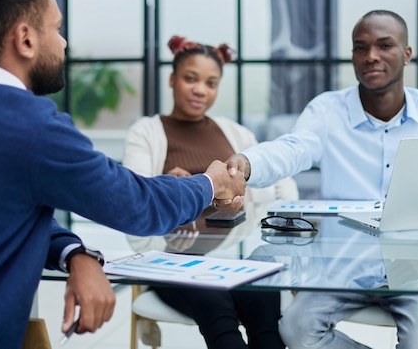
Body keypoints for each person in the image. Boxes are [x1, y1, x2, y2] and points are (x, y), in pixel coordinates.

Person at [0, 0, 245, 349]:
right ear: (26, 39)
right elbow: (140, 206)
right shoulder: (33, 128)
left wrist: (76, 253)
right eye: (57, 28)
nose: (64, 41)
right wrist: (211, 183)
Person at [225, 10, 418, 349]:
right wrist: (247, 163)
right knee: (297, 330)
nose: (371, 56)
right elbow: (292, 149)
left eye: (385, 45)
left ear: (406, 54)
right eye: (361, 48)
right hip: (343, 264)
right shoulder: (327, 111)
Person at [122, 35, 299, 349]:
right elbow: (134, 204)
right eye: (191, 79)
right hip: (171, 262)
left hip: (233, 258)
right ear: (172, 79)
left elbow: (283, 184)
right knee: (218, 311)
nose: (200, 90)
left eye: (211, 83)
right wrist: (169, 187)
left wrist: (257, 197)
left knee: (265, 314)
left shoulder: (235, 133)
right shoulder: (147, 132)